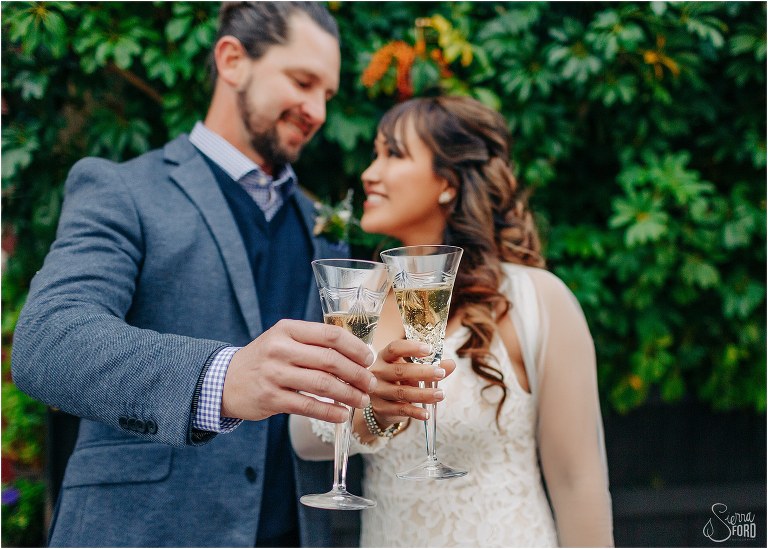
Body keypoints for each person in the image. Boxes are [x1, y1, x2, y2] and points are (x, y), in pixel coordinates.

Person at [10, 3, 388, 547]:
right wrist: (224, 379)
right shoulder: (123, 191)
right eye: (303, 82)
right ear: (233, 60)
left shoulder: (323, 228)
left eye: (326, 94)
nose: (318, 110)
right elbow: (47, 343)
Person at [290, 96, 614, 547]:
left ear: (447, 182)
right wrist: (375, 412)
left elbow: (578, 482)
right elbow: (303, 437)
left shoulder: (537, 300)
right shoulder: (360, 296)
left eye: (393, 154)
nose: (369, 172)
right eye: (375, 153)